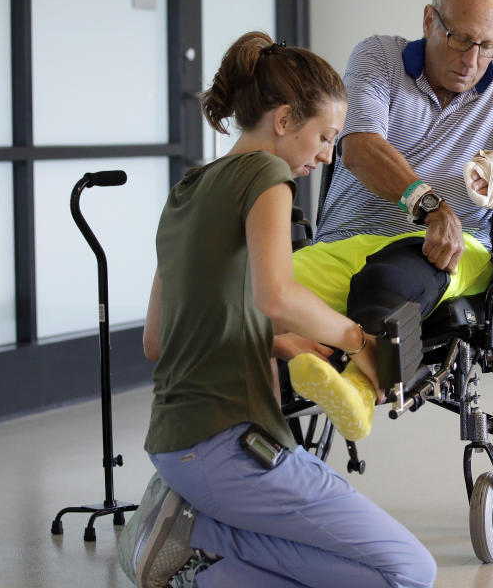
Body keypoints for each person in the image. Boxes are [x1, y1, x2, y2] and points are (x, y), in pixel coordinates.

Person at [117, 31, 437, 588]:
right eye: (325, 136)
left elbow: (159, 338)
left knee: (349, 571)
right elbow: (277, 295)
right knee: (409, 572)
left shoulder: (187, 189)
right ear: (285, 120)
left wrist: (280, 342)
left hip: (175, 448)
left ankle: (201, 560)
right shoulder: (268, 176)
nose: (328, 154)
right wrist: (359, 343)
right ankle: (205, 544)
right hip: (230, 448)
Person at [293, 0, 493, 353]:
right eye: (461, 40)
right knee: (248, 296)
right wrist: (431, 206)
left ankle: (358, 381)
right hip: (345, 244)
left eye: (487, 47)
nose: (471, 61)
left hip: (446, 250)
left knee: (387, 280)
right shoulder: (379, 57)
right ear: (429, 20)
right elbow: (360, 147)